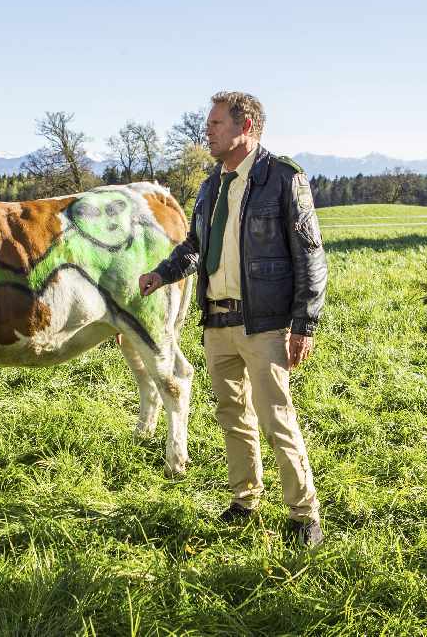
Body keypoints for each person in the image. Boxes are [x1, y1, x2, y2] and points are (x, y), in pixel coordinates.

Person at [139, 91, 328, 546]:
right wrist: (160, 274)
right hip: (218, 323)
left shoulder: (282, 179)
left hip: (264, 324)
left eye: (217, 123)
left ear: (246, 127)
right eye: (209, 124)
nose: (208, 130)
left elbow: (310, 257)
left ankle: (304, 515)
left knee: (275, 416)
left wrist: (304, 325)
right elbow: (194, 248)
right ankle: (245, 499)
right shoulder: (211, 186)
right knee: (232, 415)